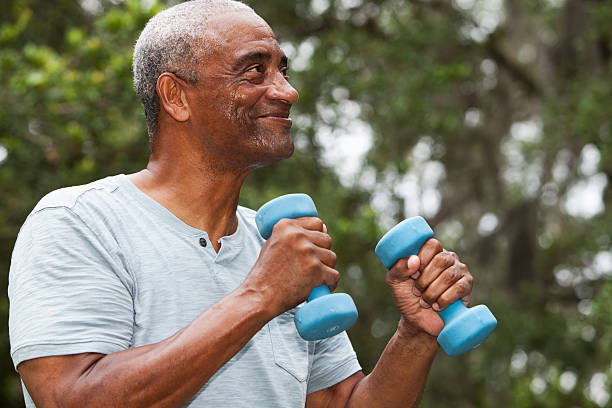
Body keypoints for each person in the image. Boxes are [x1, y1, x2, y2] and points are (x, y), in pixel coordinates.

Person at [8, 1, 475, 407]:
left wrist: (414, 335)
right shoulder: (79, 221)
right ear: (176, 97)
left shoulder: (279, 248)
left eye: (283, 70)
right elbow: (70, 398)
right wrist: (261, 296)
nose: (287, 92)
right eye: (255, 70)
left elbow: (342, 404)